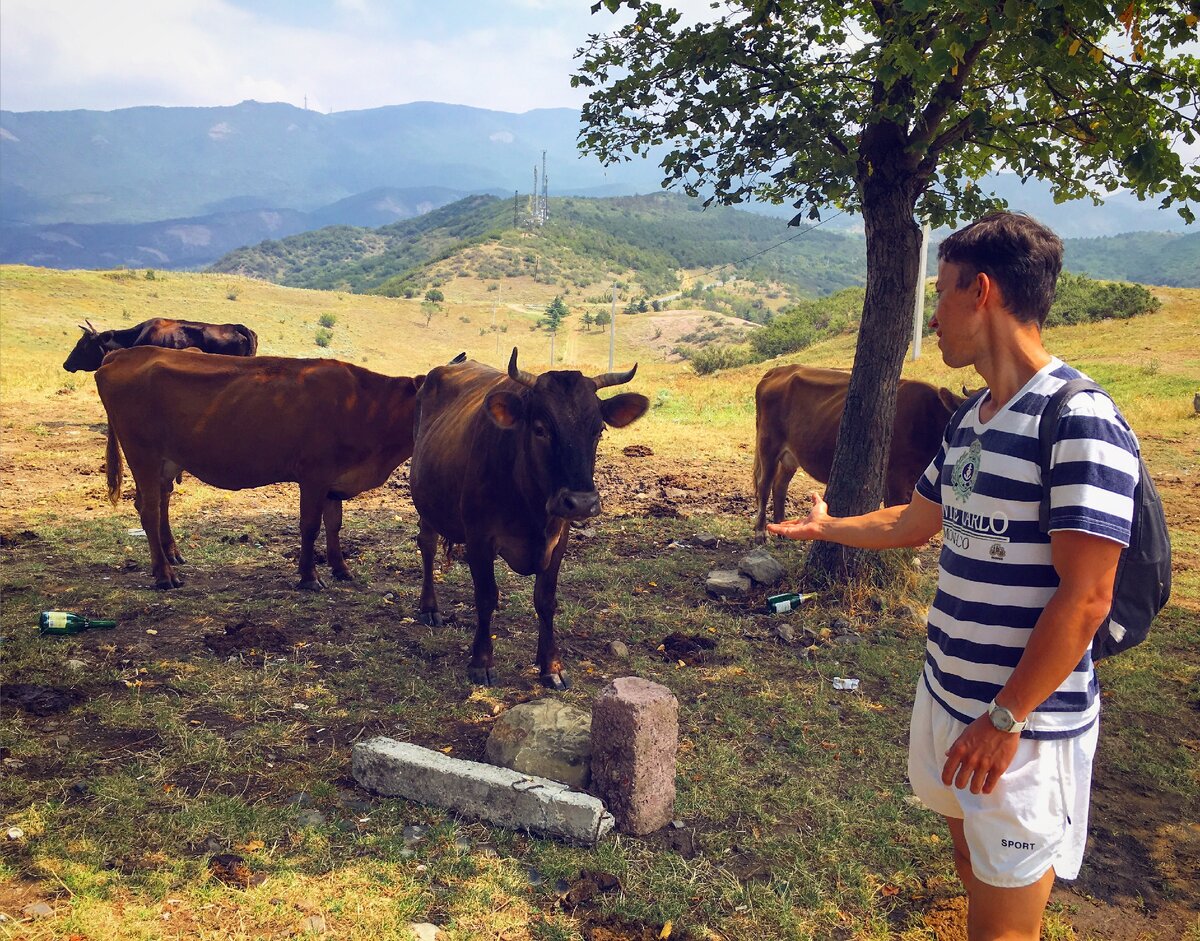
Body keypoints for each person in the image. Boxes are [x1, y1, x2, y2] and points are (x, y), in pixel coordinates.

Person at [769, 211, 1140, 940]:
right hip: (946, 694)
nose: (932, 317)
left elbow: (1089, 596)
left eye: (940, 295)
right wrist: (831, 526)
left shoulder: (1079, 420)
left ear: (984, 293)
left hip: (1022, 729)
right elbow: (916, 521)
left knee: (1004, 923)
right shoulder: (973, 418)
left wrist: (1006, 717)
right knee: (971, 868)